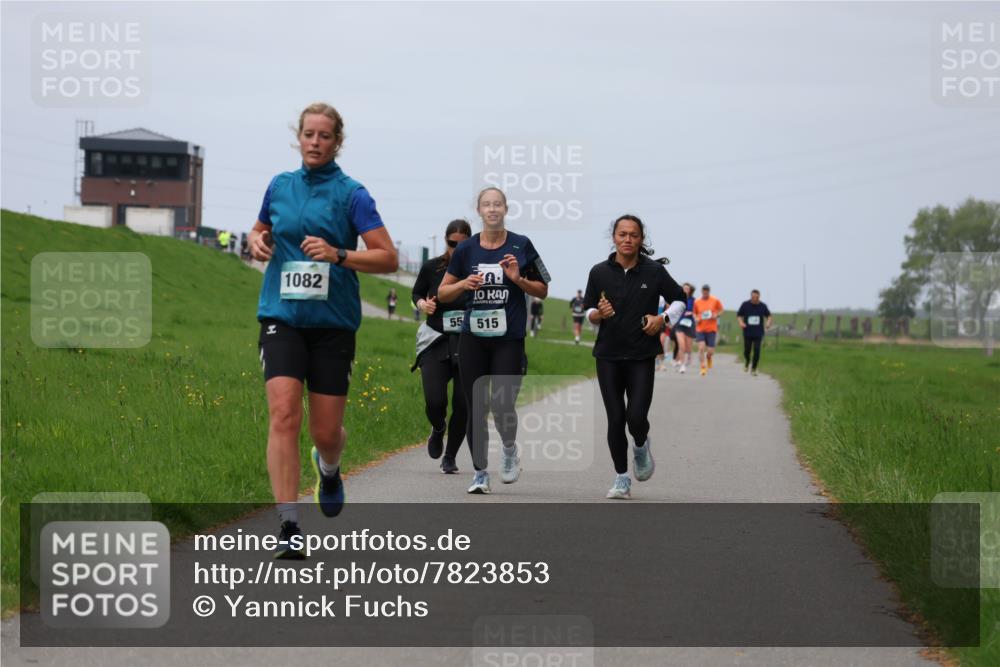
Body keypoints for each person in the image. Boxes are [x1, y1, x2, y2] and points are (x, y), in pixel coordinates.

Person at [248, 102, 398, 559]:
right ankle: (289, 524)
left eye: (324, 136)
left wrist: (338, 254)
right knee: (284, 414)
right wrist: (257, 241)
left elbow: (387, 257)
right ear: (299, 137)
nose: (315, 142)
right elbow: (259, 231)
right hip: (282, 316)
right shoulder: (279, 186)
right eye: (308, 134)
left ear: (337, 142)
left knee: (325, 432)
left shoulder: (352, 194)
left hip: (332, 324)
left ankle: (329, 468)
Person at [437, 187, 550, 494]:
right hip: (473, 337)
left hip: (508, 339)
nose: (492, 209)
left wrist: (517, 279)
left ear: (505, 208)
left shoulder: (522, 244)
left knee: (502, 405)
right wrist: (463, 283)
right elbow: (443, 293)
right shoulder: (466, 250)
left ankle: (510, 448)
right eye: (487, 204)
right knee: (475, 404)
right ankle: (480, 472)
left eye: (497, 204)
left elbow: (543, 289)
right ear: (479, 210)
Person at [585, 214, 686, 499]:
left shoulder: (653, 272)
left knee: (636, 417)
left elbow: (680, 299)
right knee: (615, 418)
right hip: (608, 356)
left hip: (642, 354)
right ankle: (621, 478)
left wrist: (663, 319)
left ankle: (640, 445)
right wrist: (597, 314)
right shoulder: (599, 272)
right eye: (622, 234)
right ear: (613, 237)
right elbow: (586, 311)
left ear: (641, 239)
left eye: (633, 235)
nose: (627, 239)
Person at [412, 219, 472, 474]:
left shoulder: (477, 269)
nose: (456, 249)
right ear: (445, 241)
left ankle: (450, 456)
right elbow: (416, 293)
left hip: (469, 342)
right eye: (451, 244)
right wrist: (422, 305)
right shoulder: (431, 268)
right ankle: (438, 429)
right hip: (436, 338)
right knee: (435, 400)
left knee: (462, 402)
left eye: (463, 244)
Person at [737, 289, 773, 376]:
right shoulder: (745, 305)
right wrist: (741, 322)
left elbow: (769, 316)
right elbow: (739, 315)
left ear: (759, 297)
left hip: (758, 332)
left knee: (757, 351)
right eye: (753, 297)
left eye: (756, 297)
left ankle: (754, 368)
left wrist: (768, 323)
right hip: (747, 332)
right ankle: (747, 361)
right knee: (747, 351)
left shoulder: (763, 306)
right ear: (751, 296)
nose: (754, 299)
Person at [693, 284, 723, 376]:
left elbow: (721, 310)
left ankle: (709, 357)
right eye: (704, 291)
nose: (705, 292)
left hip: (711, 329)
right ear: (702, 291)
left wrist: (717, 315)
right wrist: (696, 318)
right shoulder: (697, 302)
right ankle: (703, 367)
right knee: (701, 348)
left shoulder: (715, 300)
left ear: (709, 291)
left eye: (707, 291)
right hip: (700, 329)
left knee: (710, 352)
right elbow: (694, 313)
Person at [673, 282, 696, 373]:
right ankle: (682, 365)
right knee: (681, 345)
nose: (685, 290)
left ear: (690, 290)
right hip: (679, 324)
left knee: (688, 347)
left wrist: (692, 313)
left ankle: (689, 356)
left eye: (687, 288)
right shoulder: (678, 299)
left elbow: (697, 311)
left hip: (689, 324)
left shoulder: (693, 300)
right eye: (684, 288)